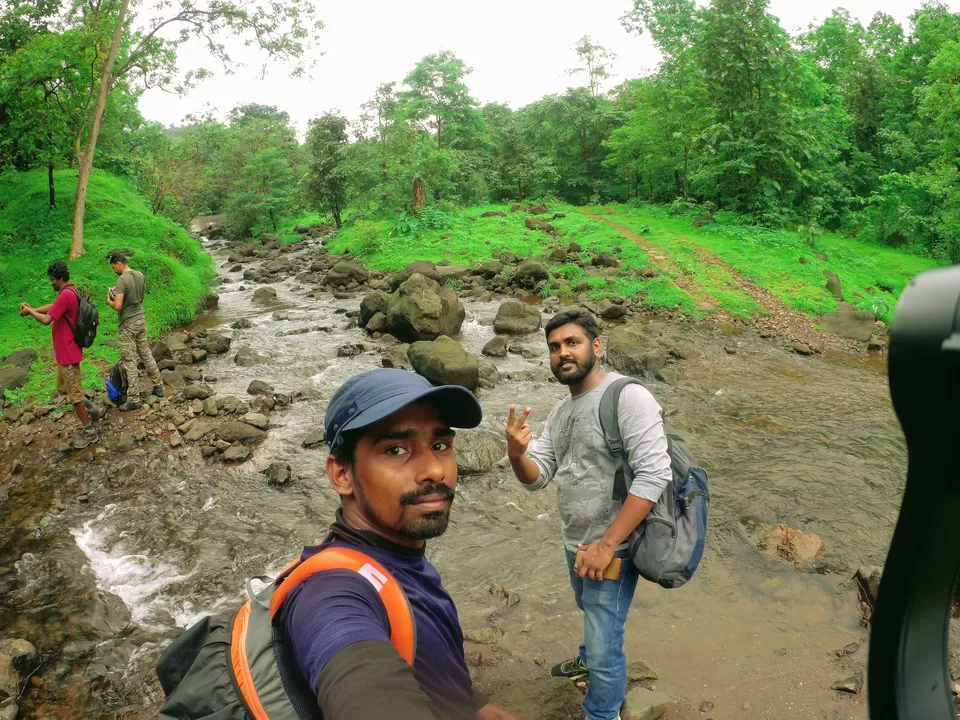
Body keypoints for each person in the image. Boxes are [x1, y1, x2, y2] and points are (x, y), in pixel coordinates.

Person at [280, 368, 516, 720]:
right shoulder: (332, 592)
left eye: (440, 445)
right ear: (342, 475)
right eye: (395, 449)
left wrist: (471, 703)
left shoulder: (398, 553)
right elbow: (358, 678)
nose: (434, 470)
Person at [504, 308, 671, 720]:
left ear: (596, 346)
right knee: (591, 611)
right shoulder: (561, 411)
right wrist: (516, 453)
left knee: (605, 644)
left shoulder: (627, 396)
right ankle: (586, 659)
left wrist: (608, 545)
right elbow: (538, 477)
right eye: (554, 346)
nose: (563, 352)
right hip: (576, 541)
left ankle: (602, 712)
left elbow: (654, 474)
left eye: (572, 342)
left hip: (614, 547)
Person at [19, 261, 98, 449]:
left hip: (69, 355)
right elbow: (53, 306)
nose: (51, 282)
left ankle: (89, 431)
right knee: (63, 389)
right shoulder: (69, 291)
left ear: (60, 278)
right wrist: (33, 308)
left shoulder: (67, 295)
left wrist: (30, 312)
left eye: (52, 279)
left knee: (75, 395)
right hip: (64, 354)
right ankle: (94, 410)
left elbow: (47, 320)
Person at [105, 252, 162, 410]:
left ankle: (134, 398)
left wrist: (109, 300)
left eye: (113, 268)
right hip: (140, 319)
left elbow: (118, 306)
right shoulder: (140, 275)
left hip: (128, 324)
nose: (114, 271)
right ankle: (158, 386)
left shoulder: (122, 280)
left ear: (118, 264)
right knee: (146, 353)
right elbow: (139, 298)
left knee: (129, 361)